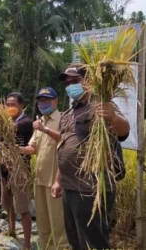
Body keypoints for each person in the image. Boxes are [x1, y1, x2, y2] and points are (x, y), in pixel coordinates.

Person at [53, 65, 130, 250]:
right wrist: (57, 180)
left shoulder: (101, 105)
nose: (70, 85)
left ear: (89, 81)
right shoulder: (68, 113)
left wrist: (112, 117)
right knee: (75, 239)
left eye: (75, 80)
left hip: (91, 187)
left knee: (93, 241)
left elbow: (123, 131)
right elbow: (63, 146)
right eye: (68, 82)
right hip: (69, 186)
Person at [20, 87, 69, 250]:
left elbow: (66, 141)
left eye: (47, 100)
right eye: (41, 101)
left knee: (58, 224)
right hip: (40, 179)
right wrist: (19, 149)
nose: (44, 103)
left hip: (55, 181)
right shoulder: (39, 121)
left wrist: (45, 129)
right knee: (42, 223)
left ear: (56, 101)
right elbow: (33, 148)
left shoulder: (63, 119)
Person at [1, 92, 33, 250]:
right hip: (6, 168)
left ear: (21, 106)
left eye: (13, 104)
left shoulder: (26, 122)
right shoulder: (7, 121)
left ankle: (26, 244)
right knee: (8, 204)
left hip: (20, 169)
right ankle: (11, 229)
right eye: (7, 104)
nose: (10, 107)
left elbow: (10, 130)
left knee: (23, 208)